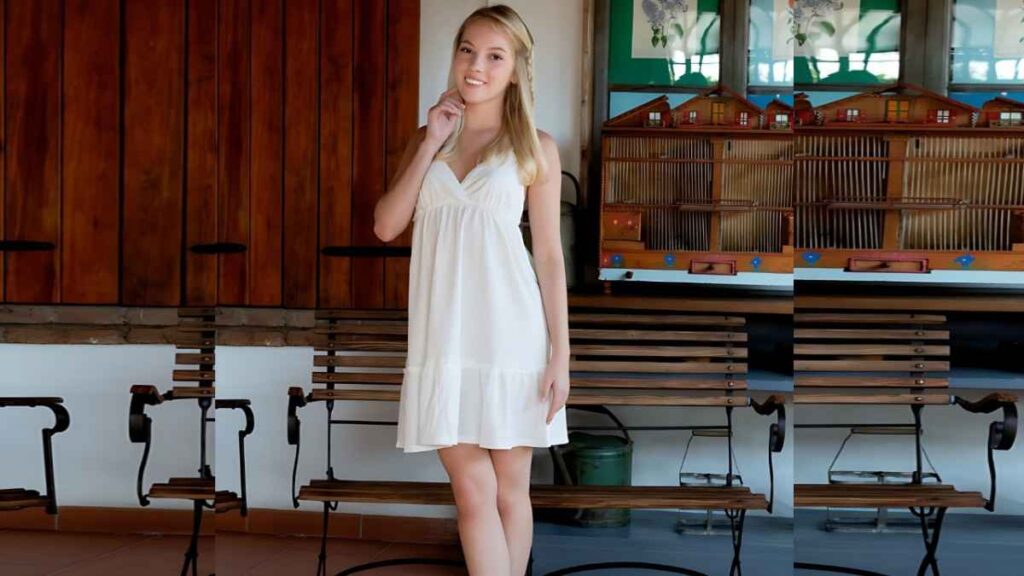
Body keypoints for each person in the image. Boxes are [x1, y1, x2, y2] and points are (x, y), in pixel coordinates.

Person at [372, 5, 570, 575]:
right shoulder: (427, 137)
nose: (475, 66)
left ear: (515, 69)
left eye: (493, 55)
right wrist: (432, 138)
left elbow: (550, 256)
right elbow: (387, 225)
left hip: (513, 337)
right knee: (472, 488)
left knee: (510, 491)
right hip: (443, 339)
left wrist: (561, 352)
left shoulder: (536, 147)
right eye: (467, 50)